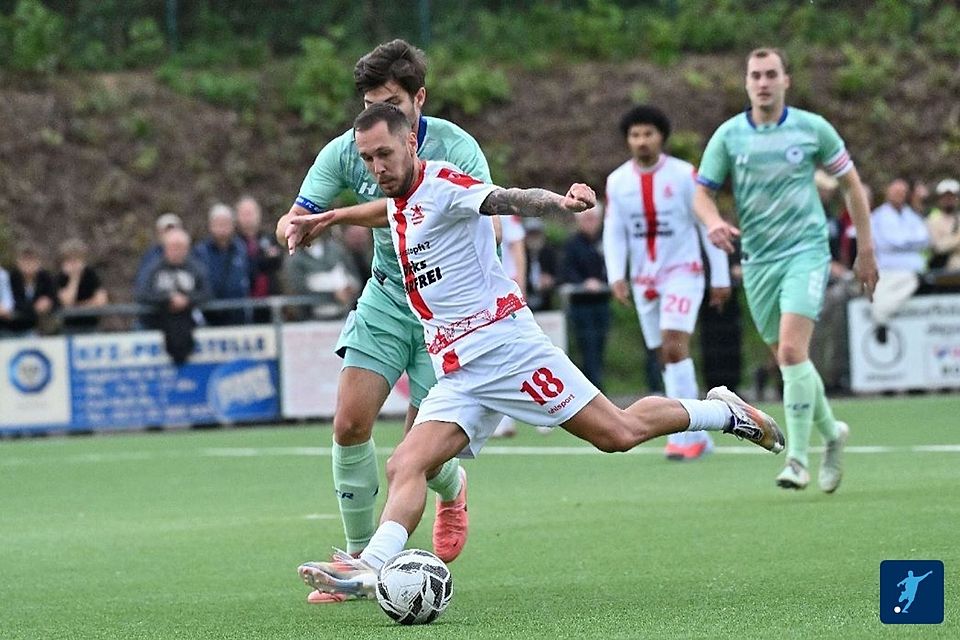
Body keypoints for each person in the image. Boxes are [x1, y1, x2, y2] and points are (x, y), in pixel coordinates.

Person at [295, 103, 784, 598]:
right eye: (367, 158)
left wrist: (561, 204)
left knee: (618, 432)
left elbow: (506, 198)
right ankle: (371, 567)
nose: (377, 167)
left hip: (508, 351)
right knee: (406, 462)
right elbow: (388, 209)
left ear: (411, 145)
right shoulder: (399, 198)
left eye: (385, 153)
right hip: (460, 371)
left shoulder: (444, 185)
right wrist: (333, 216)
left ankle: (723, 413)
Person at [274, 39, 493, 600]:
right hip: (389, 297)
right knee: (349, 422)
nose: (380, 120)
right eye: (371, 104)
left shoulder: (458, 149)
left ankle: (454, 486)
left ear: (420, 98)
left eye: (394, 103)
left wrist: (338, 217)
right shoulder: (349, 147)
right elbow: (305, 209)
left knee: (419, 451)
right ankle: (353, 561)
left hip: (445, 309)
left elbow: (445, 212)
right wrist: (293, 224)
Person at [693, 47, 878, 492]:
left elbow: (851, 184)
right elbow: (702, 192)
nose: (763, 82)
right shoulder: (730, 136)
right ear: (746, 83)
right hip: (757, 260)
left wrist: (867, 249)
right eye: (755, 75)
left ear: (785, 81)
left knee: (793, 352)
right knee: (788, 357)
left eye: (771, 74)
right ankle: (833, 435)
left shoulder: (811, 129)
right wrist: (714, 222)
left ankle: (797, 459)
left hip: (806, 252)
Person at [603, 104, 731, 461]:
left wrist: (719, 275)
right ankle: (699, 432)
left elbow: (709, 223)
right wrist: (616, 274)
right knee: (664, 353)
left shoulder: (685, 175)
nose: (641, 141)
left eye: (648, 134)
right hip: (645, 279)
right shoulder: (617, 181)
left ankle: (690, 433)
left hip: (683, 272)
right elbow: (614, 232)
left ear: (662, 137)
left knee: (675, 346)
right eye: (635, 135)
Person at [134, 228, 211, 365]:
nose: (177, 251)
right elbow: (142, 293)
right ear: (165, 248)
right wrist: (168, 299)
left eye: (181, 247)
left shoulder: (196, 268)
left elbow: (206, 293)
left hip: (188, 322)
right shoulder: (153, 268)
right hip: (158, 322)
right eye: (173, 247)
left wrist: (187, 300)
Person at [870, 178, 930, 342]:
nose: (899, 195)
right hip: (888, 271)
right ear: (887, 192)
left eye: (902, 192)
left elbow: (924, 239)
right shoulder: (878, 216)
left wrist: (900, 241)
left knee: (910, 285)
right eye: (895, 191)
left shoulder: (911, 216)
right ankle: (880, 321)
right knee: (880, 297)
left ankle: (881, 317)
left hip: (913, 271)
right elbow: (885, 243)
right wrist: (909, 241)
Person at [561, 206, 611, 391]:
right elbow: (566, 271)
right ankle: (592, 389)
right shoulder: (572, 245)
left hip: (601, 302)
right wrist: (585, 283)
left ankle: (598, 387)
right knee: (586, 348)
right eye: (586, 218)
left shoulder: (606, 242)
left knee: (599, 346)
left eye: (592, 218)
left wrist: (602, 282)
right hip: (580, 305)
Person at [283, 228, 360, 320]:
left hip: (345, 315)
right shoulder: (294, 258)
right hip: (311, 318)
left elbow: (354, 276)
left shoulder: (337, 249)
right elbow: (299, 289)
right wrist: (333, 294)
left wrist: (350, 289)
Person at [193, 203, 250, 326]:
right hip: (210, 315)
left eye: (225, 223)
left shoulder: (240, 249)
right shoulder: (201, 251)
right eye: (218, 223)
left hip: (238, 314)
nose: (222, 227)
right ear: (210, 225)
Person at [235, 196, 283, 323]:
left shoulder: (269, 238)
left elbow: (277, 261)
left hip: (269, 299)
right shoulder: (234, 243)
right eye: (244, 214)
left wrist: (259, 261)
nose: (248, 218)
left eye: (251, 213)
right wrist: (262, 260)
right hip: (244, 300)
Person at [56, 238, 108, 333]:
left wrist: (77, 308)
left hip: (91, 326)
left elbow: (101, 302)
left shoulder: (91, 274)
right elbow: (67, 302)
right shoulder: (60, 277)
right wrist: (74, 278)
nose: (74, 264)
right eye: (70, 260)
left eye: (77, 259)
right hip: (69, 328)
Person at [7, 243, 58, 335]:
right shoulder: (11, 278)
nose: (29, 264)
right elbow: (12, 302)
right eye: (25, 260)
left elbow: (55, 298)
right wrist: (34, 308)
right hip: (13, 327)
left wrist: (48, 302)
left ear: (39, 263)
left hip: (40, 328)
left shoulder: (46, 277)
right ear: (18, 262)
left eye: (32, 260)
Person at [927, 178, 960, 273]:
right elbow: (939, 247)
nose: (949, 200)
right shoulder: (932, 220)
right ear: (940, 199)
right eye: (946, 197)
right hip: (944, 272)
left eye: (952, 196)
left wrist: (949, 241)